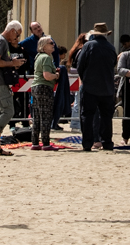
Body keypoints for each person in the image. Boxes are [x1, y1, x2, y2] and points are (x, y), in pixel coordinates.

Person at [71, 22, 118, 152]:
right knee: (106, 117)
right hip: (107, 87)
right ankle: (107, 142)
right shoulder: (111, 47)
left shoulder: (88, 46)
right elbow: (114, 63)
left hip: (90, 87)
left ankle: (87, 143)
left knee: (87, 115)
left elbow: (80, 65)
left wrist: (85, 78)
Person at [29, 34, 60, 149]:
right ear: (44, 46)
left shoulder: (38, 57)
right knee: (46, 116)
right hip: (44, 88)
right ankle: (46, 143)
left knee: (37, 116)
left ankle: (35, 142)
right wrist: (56, 75)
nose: (53, 45)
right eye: (51, 43)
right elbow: (47, 76)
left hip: (35, 87)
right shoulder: (46, 58)